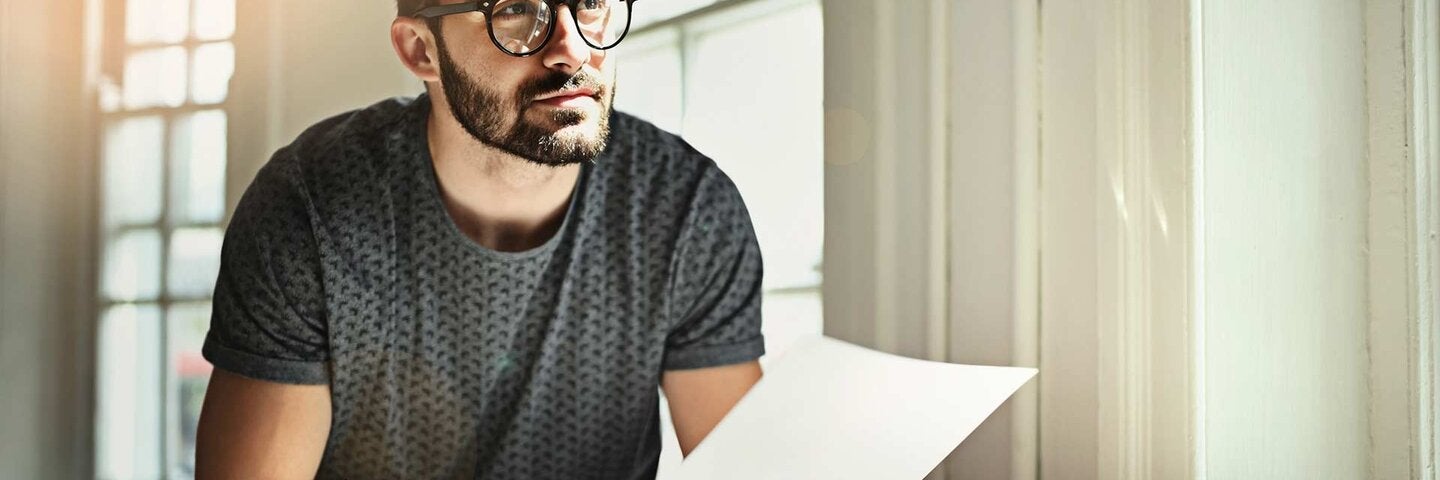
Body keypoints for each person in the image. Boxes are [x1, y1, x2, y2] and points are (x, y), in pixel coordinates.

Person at [194, 0, 766, 477]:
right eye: (516, 11)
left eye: (590, 3)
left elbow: (745, 466)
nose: (572, 48)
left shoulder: (685, 208)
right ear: (421, 50)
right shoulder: (311, 208)